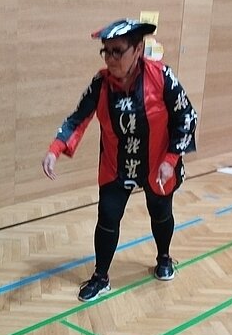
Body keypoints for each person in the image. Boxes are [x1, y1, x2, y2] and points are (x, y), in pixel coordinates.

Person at [41, 18, 197, 302]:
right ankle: (100, 277)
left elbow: (186, 117)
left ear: (137, 50)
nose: (110, 58)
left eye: (118, 51)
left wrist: (171, 158)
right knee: (107, 217)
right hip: (116, 164)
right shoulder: (101, 83)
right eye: (106, 51)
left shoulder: (162, 77)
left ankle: (164, 257)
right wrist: (55, 149)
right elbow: (77, 118)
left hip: (157, 163)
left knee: (160, 213)